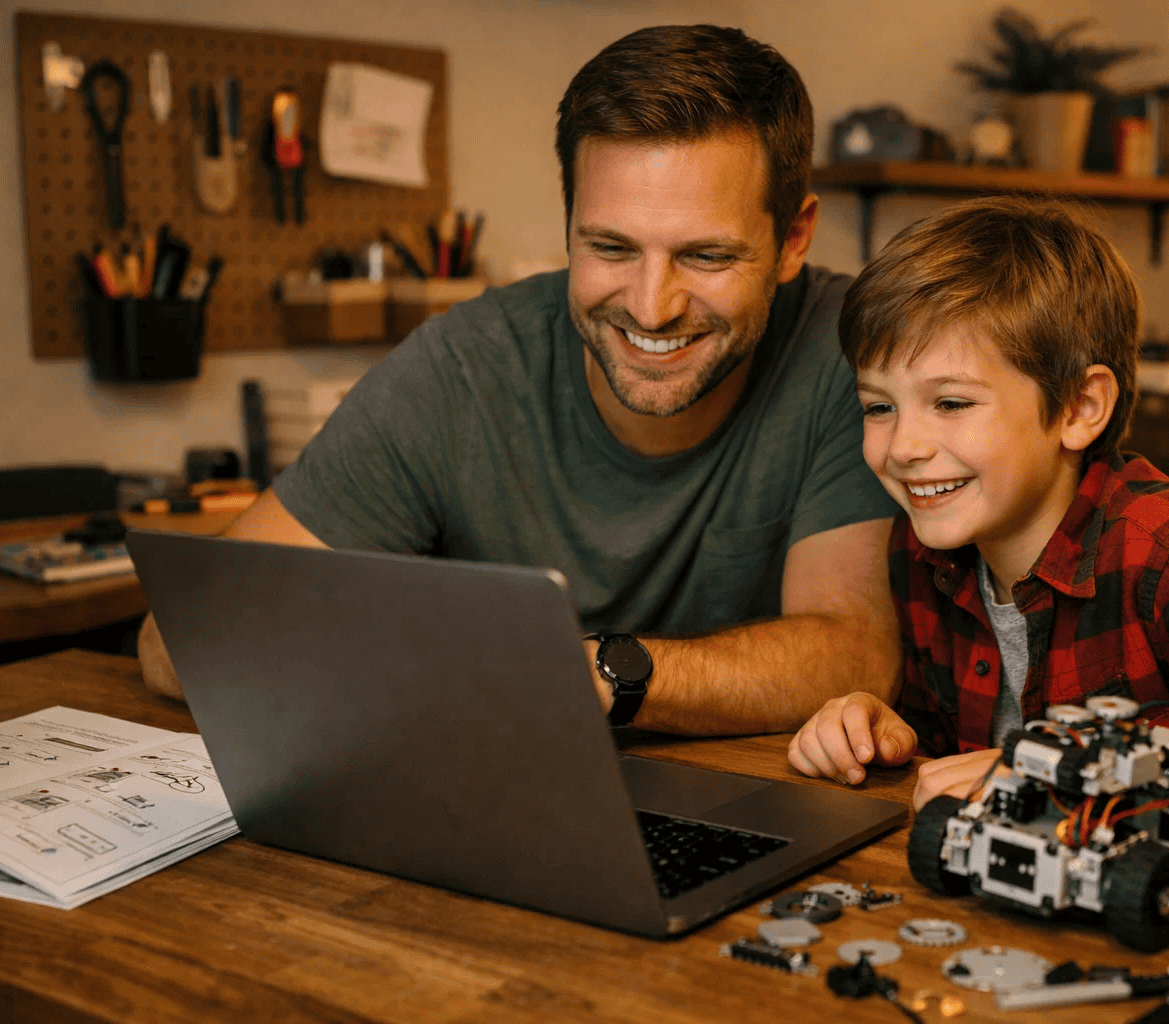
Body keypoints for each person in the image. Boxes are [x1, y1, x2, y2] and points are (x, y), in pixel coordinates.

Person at [139, 25, 902, 734]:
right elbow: (177, 646)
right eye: (610, 248)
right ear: (568, 226)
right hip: (497, 791)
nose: (651, 306)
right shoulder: (461, 367)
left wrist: (597, 673)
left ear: (793, 238)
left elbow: (856, 656)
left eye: (705, 256)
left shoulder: (854, 349)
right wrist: (485, 667)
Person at [786, 196, 1169, 840]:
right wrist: (873, 726)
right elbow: (949, 757)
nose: (903, 447)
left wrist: (1072, 771)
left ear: (1081, 407)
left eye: (949, 402)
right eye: (878, 407)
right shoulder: (925, 550)